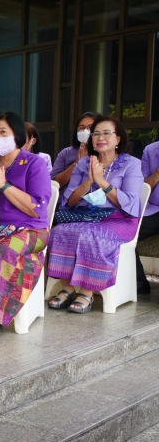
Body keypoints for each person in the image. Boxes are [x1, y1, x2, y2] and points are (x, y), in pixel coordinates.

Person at [46, 116, 143, 314]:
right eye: (96, 134)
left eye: (107, 133)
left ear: (118, 139)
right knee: (59, 231)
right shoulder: (84, 164)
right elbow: (69, 202)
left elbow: (131, 204)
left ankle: (87, 293)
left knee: (93, 235)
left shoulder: (131, 164)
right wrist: (88, 183)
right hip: (86, 216)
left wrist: (102, 181)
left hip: (119, 219)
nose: (100, 137)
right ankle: (67, 289)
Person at [0, 111, 52, 332]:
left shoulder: (34, 164)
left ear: (17, 134)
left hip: (31, 230)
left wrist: (4, 184)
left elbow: (36, 208)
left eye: (3, 132)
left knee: (4, 249)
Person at [50, 112, 99, 189]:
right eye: (82, 128)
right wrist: (76, 163)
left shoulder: (104, 152)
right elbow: (53, 183)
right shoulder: (66, 153)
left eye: (90, 127)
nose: (86, 131)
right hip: (66, 198)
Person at [137, 139, 159, 294]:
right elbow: (143, 188)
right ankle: (138, 282)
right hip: (153, 209)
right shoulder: (151, 150)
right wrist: (157, 173)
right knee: (127, 232)